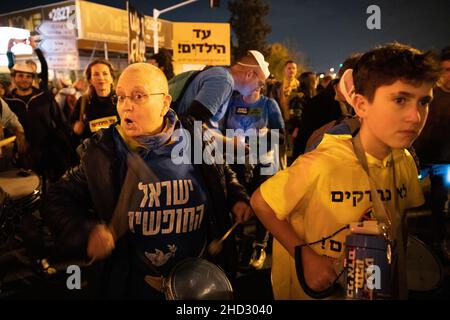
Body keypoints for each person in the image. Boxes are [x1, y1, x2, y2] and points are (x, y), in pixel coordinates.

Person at [44, 63, 253, 299]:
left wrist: (236, 197)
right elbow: (56, 198)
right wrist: (87, 232)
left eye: (138, 96)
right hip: (133, 286)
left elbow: (223, 173)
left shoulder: (195, 137)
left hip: (196, 282)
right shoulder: (102, 154)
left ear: (165, 103)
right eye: (120, 97)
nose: (125, 105)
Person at [250, 43, 441, 300]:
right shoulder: (324, 161)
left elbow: (401, 228)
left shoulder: (404, 161)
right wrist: (305, 256)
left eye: (424, 102)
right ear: (361, 105)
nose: (416, 117)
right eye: (400, 100)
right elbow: (261, 203)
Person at [223, 86, 285, 269]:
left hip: (264, 164)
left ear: (260, 82)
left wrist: (257, 142)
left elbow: (280, 135)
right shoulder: (232, 103)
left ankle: (259, 246)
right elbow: (220, 131)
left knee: (261, 205)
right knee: (240, 203)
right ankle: (240, 245)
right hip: (237, 162)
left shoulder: (269, 104)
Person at [3, 62, 75, 183]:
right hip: (21, 154)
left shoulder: (45, 97)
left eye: (28, 76)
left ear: (33, 78)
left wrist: (68, 144)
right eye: (20, 76)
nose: (24, 79)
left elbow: (60, 121)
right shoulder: (7, 102)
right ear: (13, 77)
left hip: (48, 151)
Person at [413, 47, 450, 259]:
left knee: (439, 204)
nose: (448, 75)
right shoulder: (429, 95)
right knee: (405, 199)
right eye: (445, 69)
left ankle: (438, 242)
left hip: (445, 162)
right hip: (421, 158)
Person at [71, 59, 118, 144]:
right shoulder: (83, 102)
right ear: (90, 80)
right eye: (96, 74)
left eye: (105, 73)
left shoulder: (121, 100)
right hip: (94, 155)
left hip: (120, 154)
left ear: (111, 78)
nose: (101, 78)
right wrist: (76, 131)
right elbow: (73, 135)